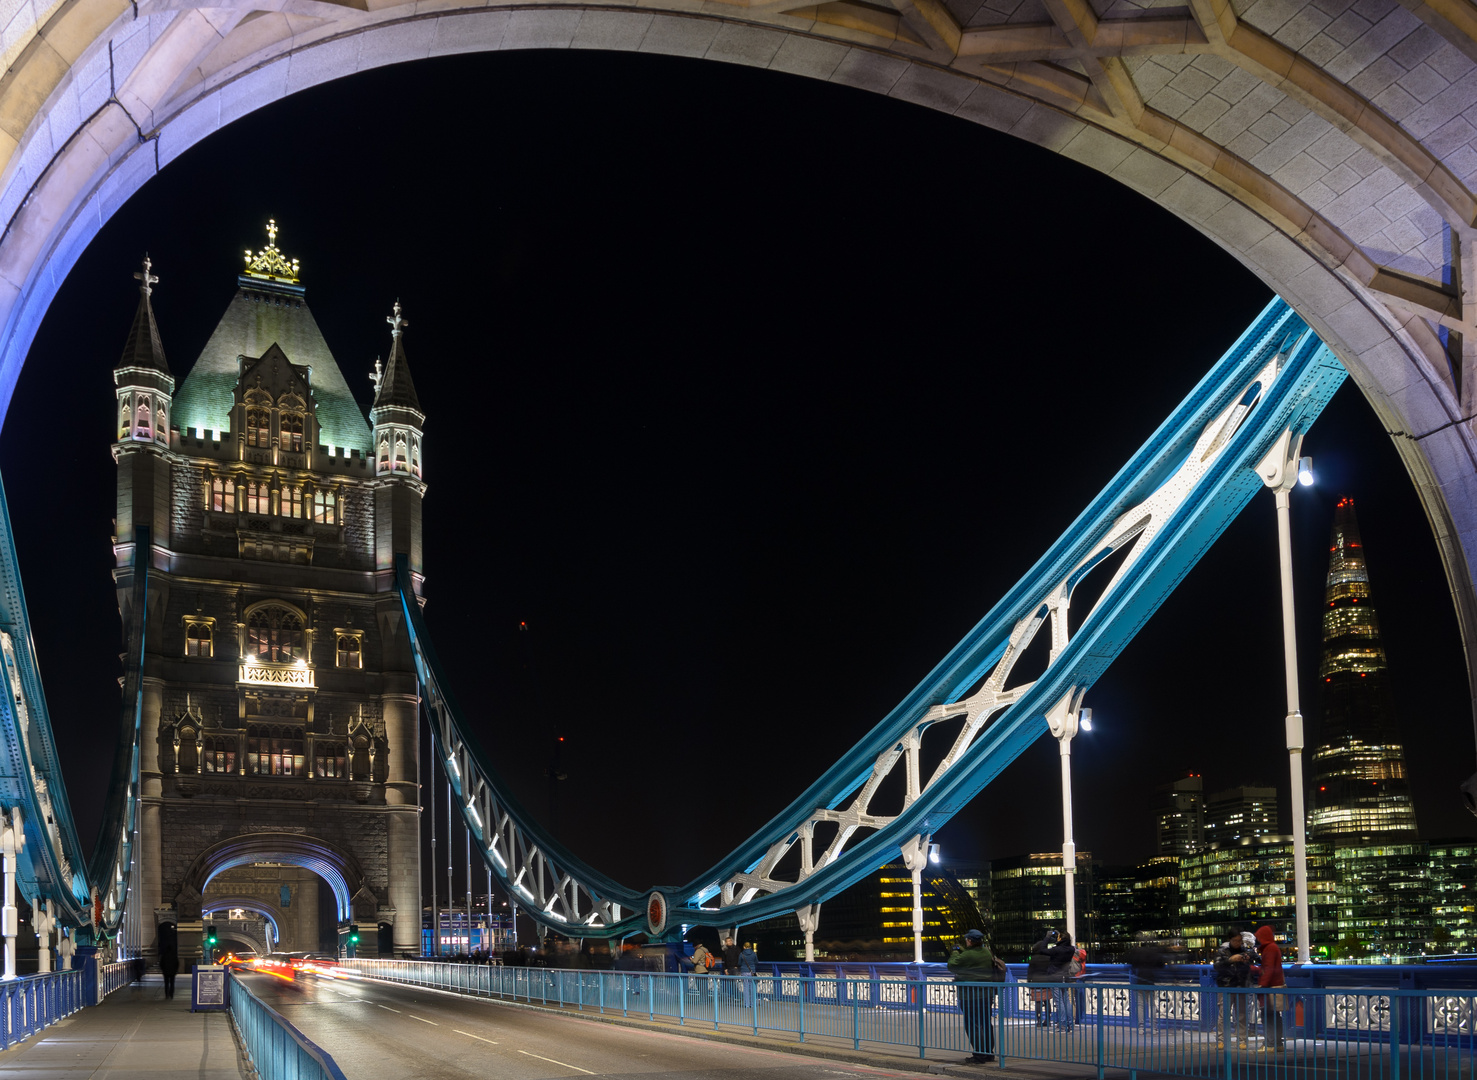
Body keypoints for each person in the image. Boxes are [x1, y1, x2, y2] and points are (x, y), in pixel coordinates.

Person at [947, 929, 998, 1063]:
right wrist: (963, 950)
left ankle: (978, 1055)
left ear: (969, 941)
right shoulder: (986, 952)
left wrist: (955, 951)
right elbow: (971, 957)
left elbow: (952, 965)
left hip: (970, 996)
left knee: (973, 1025)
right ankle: (988, 1053)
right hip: (986, 994)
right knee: (986, 1023)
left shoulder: (968, 955)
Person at [1212, 931, 1254, 1047]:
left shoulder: (1246, 950)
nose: (1237, 943)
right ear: (1230, 940)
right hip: (1226, 986)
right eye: (1235, 940)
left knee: (1242, 1015)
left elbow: (1257, 959)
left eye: (1240, 941)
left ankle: (1242, 1040)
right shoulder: (1222, 951)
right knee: (1223, 1014)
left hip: (1242, 985)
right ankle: (1221, 1040)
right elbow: (1217, 966)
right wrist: (1230, 960)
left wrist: (1248, 958)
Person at [1252, 926, 1285, 1052]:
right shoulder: (1273, 947)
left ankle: (1270, 1044)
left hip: (1269, 988)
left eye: (1259, 937)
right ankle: (1277, 1043)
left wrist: (1262, 986)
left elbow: (1268, 970)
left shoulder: (1269, 949)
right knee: (1275, 1016)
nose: (1258, 940)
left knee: (1268, 1016)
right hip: (1275, 985)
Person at [1045, 930, 1077, 1032]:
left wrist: (1047, 937)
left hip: (1055, 977)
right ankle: (1070, 1025)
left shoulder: (1056, 950)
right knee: (1066, 1001)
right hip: (1065, 977)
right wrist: (1061, 937)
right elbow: (1066, 946)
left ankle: (1062, 1025)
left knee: (1059, 1002)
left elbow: (1042, 950)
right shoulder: (1071, 949)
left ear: (1060, 939)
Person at [1027, 929, 1057, 1027]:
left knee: (1038, 1002)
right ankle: (1048, 1020)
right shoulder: (1048, 958)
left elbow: (1030, 971)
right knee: (1047, 1001)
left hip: (1035, 982)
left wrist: (1029, 981)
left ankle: (1039, 1020)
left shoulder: (1033, 958)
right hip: (1047, 981)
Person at [739, 941, 758, 1007]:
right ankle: (753, 1004)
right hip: (752, 972)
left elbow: (739, 963)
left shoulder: (742, 954)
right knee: (752, 987)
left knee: (745, 988)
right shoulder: (753, 954)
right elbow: (756, 962)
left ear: (744, 947)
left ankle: (746, 1004)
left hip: (744, 971)